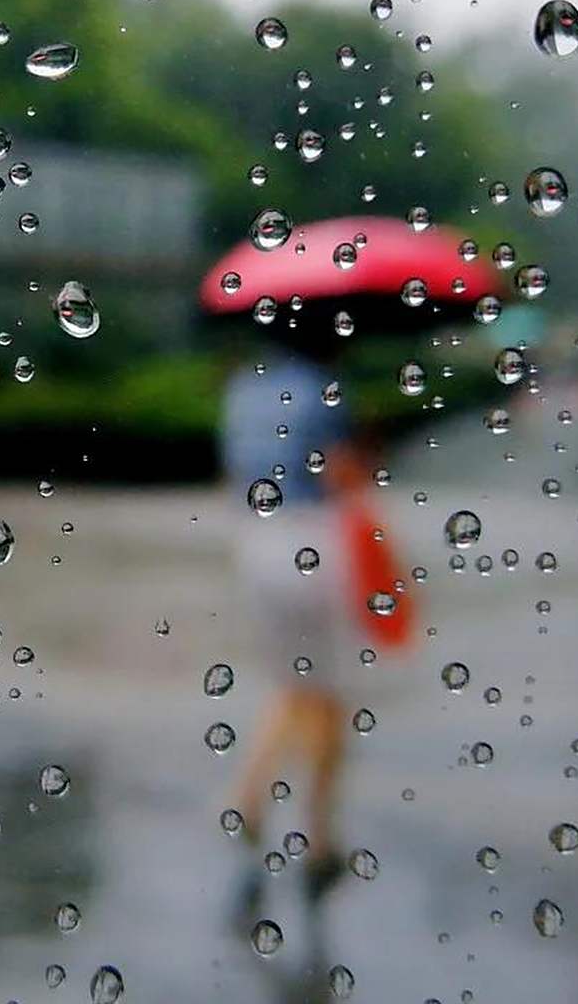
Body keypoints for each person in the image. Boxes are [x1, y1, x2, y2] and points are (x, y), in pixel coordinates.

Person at [219, 330, 371, 919]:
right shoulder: (323, 392)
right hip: (311, 541)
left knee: (293, 682)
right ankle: (320, 837)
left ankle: (249, 801)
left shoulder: (244, 390)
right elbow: (343, 475)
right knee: (330, 692)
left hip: (253, 541)